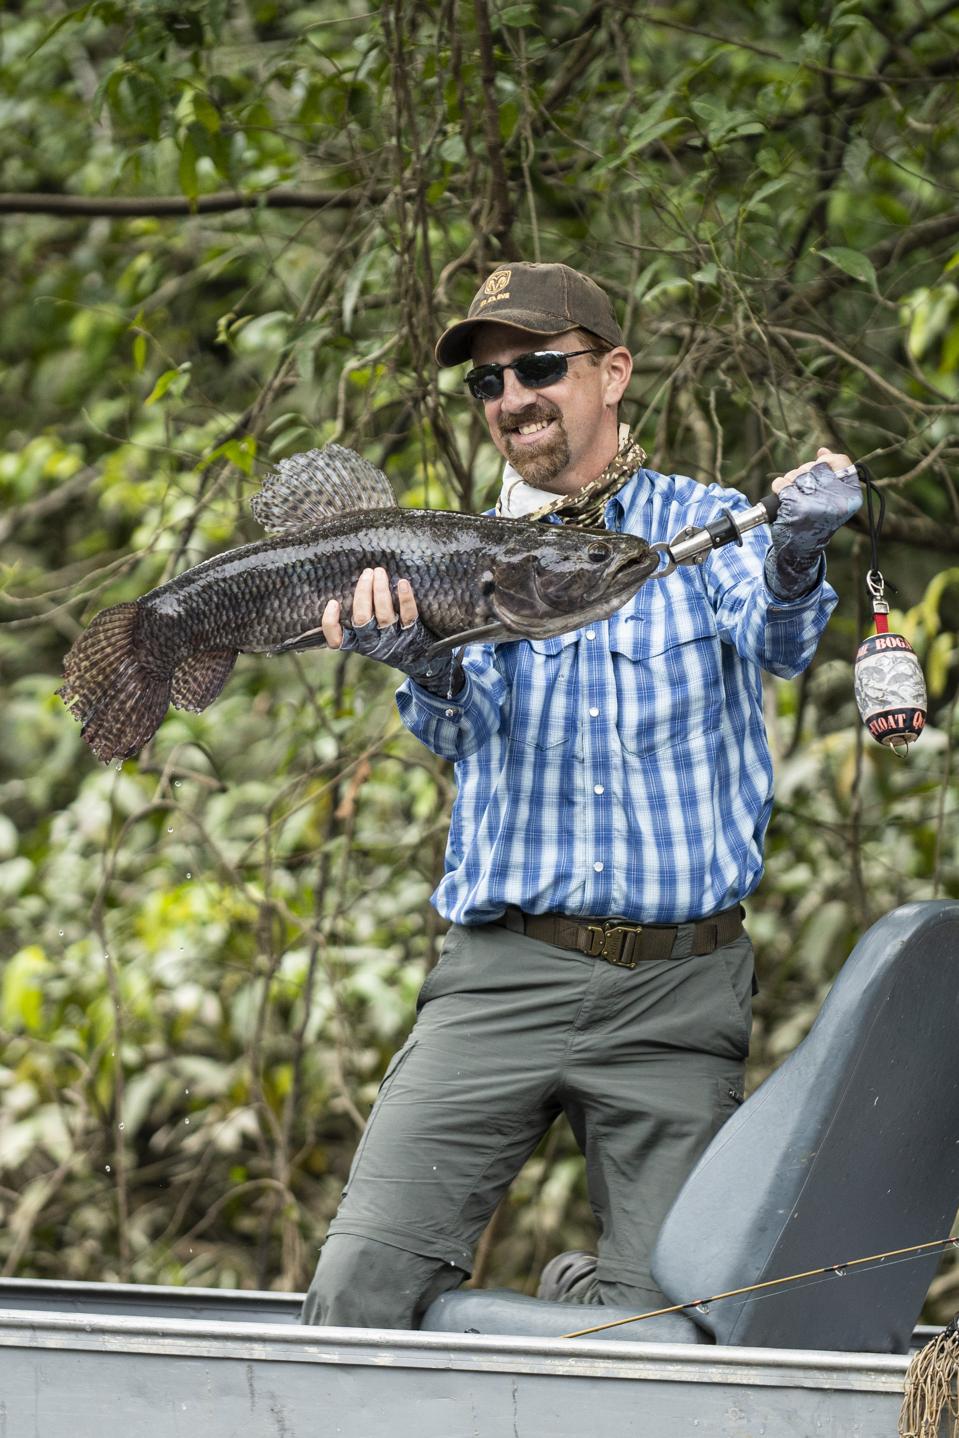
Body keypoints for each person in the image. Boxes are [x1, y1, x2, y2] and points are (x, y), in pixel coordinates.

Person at [300, 262, 861, 1329]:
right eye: (487, 383)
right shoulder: (451, 555)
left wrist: (795, 546)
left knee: (669, 1335)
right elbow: (459, 732)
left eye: (539, 368)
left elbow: (781, 639)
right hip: (499, 976)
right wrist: (416, 657)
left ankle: (583, 1293)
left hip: (676, 989)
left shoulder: (707, 525)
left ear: (611, 372)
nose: (512, 399)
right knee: (358, 1293)